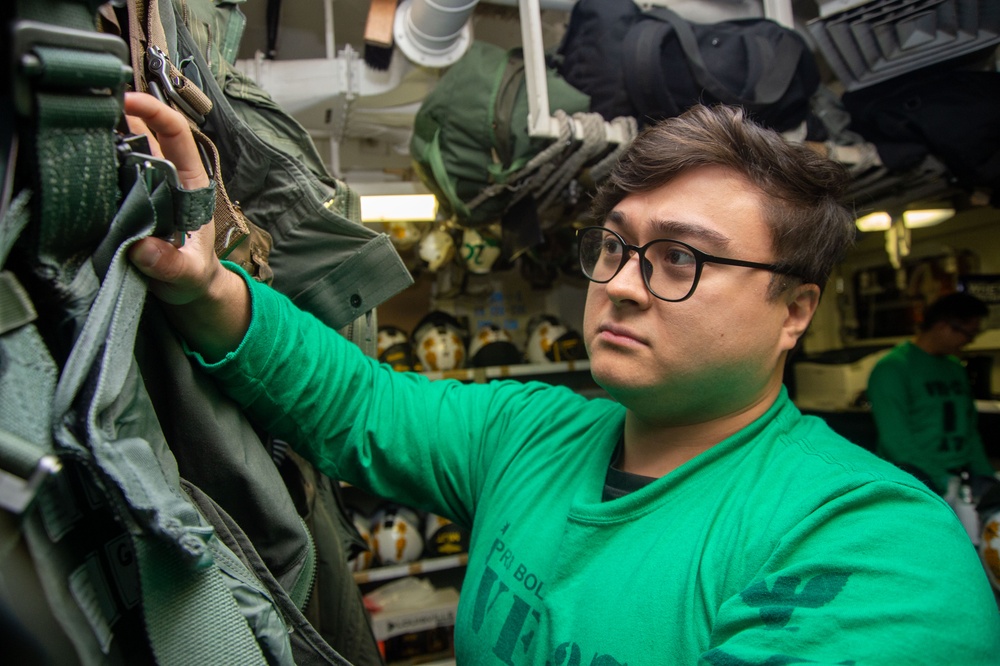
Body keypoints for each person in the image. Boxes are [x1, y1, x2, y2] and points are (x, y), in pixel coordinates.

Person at [125, 91, 1000, 664]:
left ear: (796, 311)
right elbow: (360, 402)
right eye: (616, 246)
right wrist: (208, 286)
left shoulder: (877, 547)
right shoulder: (535, 434)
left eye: (680, 258)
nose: (619, 281)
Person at [868, 292, 997, 496]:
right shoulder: (893, 368)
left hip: (962, 477)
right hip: (916, 481)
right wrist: (940, 482)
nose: (969, 342)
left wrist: (986, 477)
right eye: (968, 334)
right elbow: (896, 441)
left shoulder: (955, 368)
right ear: (943, 326)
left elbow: (969, 431)